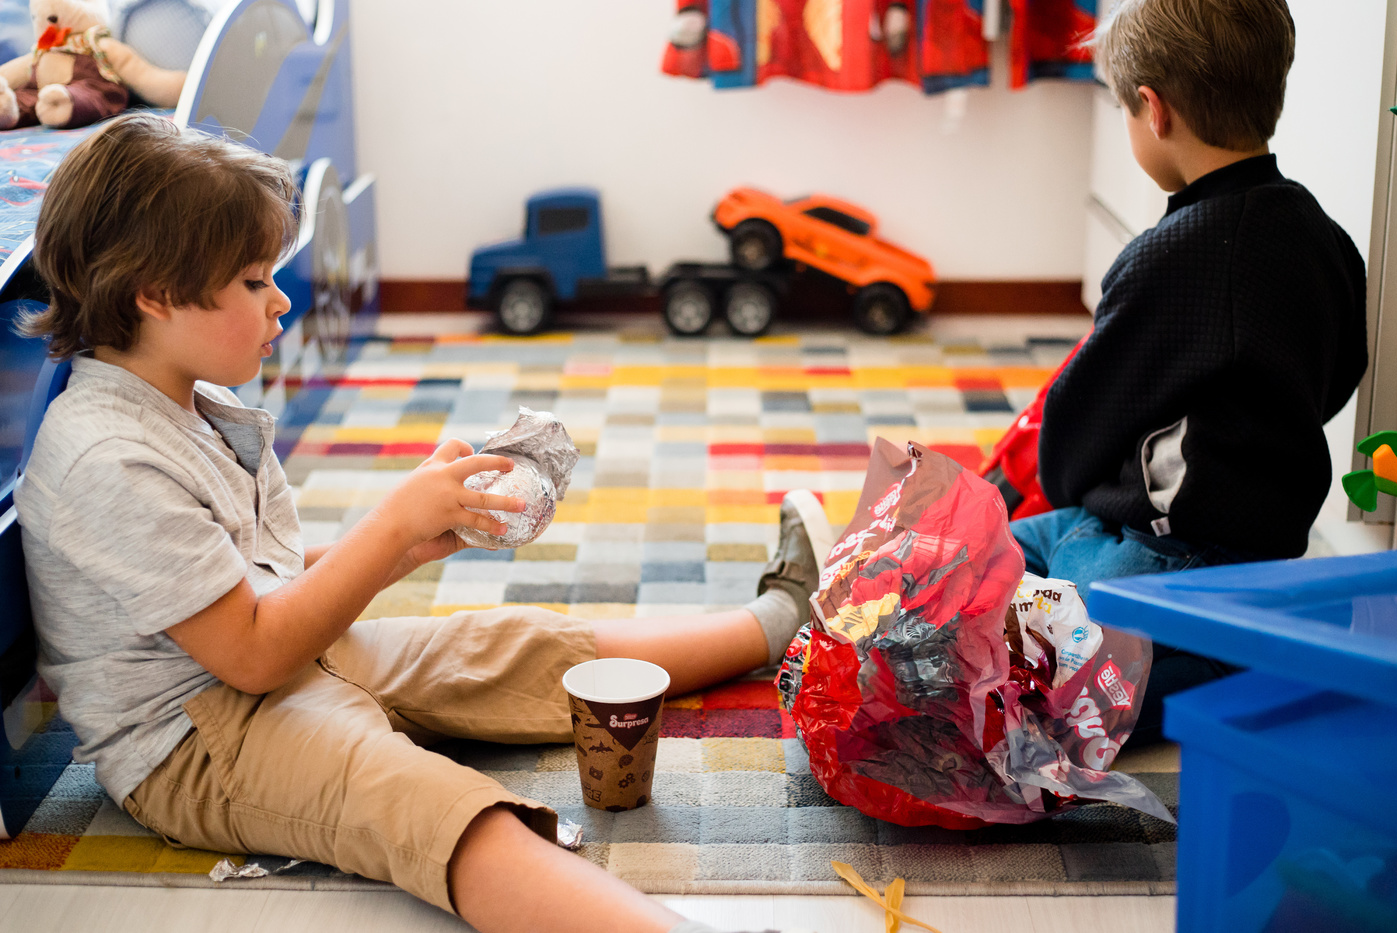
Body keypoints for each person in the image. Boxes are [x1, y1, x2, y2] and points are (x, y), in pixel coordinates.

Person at [14, 112, 830, 933]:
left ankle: (778, 619)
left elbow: (262, 583)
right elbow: (253, 654)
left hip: (270, 660)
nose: (281, 300)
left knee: (513, 644)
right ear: (155, 294)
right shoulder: (110, 458)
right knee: (424, 801)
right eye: (254, 281)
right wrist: (391, 523)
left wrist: (410, 541)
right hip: (197, 742)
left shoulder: (187, 399)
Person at [1014, 0, 1368, 743]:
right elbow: (1341, 372)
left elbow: (1078, 427)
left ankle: (1217, 661)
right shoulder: (1325, 236)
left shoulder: (1170, 259)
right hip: (1245, 542)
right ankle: (1226, 637)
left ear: (1154, 109)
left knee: (1035, 662)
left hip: (1169, 556)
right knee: (1008, 544)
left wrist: (1077, 485)